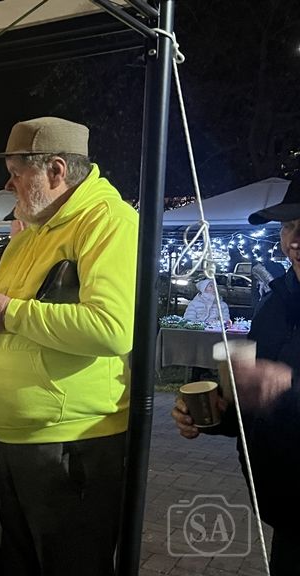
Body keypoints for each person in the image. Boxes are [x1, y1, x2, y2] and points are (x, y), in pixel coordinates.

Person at [0, 117, 138, 576]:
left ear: (55, 170)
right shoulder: (34, 230)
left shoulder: (108, 220)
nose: (8, 184)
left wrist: (6, 313)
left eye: (16, 172)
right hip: (10, 437)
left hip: (68, 445)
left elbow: (111, 328)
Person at [172, 180, 300, 574]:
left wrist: (286, 390)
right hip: (285, 508)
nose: (295, 242)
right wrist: (214, 414)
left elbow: (279, 393)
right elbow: (254, 403)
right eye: (289, 226)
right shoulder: (276, 301)